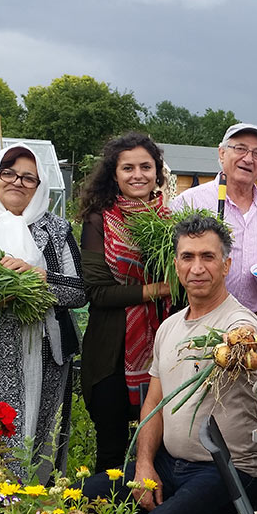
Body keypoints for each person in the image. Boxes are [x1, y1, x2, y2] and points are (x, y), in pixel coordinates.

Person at [81, 214, 257, 514]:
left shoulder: (238, 320)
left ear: (226, 265)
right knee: (84, 498)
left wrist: (241, 344)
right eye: (187, 257)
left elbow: (244, 338)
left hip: (228, 470)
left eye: (208, 257)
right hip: (169, 464)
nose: (197, 268)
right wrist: (144, 464)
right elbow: (154, 404)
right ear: (176, 266)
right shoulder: (169, 327)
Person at [0, 143, 84, 478]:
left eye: (29, 178)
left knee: (41, 438)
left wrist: (39, 277)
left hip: (45, 352)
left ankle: (35, 513)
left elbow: (77, 291)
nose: (17, 182)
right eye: (8, 173)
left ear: (39, 187)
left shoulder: (54, 229)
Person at [79, 133, 172, 473]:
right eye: (128, 167)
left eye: (146, 167)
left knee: (161, 449)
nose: (138, 175)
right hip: (112, 355)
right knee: (111, 453)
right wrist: (157, 290)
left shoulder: (169, 222)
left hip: (162, 347)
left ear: (157, 172)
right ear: (114, 174)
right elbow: (97, 292)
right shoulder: (99, 220)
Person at [169, 123, 257, 333]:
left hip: (254, 319)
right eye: (240, 148)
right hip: (202, 318)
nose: (248, 158)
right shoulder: (189, 201)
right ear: (222, 152)